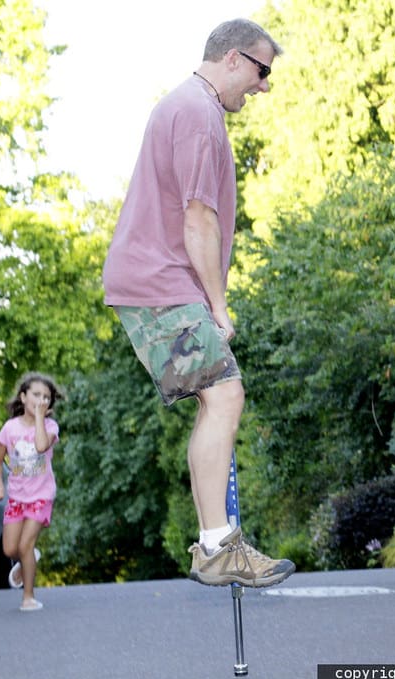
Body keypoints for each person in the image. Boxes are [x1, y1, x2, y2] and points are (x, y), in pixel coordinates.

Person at [101, 18, 294, 588]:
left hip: (159, 281)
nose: (263, 87)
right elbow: (198, 218)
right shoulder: (200, 116)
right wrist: (218, 304)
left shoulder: (189, 108)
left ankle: (217, 542)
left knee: (219, 398)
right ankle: (216, 546)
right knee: (225, 394)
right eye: (261, 72)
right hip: (162, 283)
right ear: (232, 59)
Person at [0, 372, 63, 612]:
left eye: (46, 397)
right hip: (17, 496)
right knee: (10, 549)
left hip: (41, 495)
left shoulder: (51, 427)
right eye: (36, 395)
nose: (41, 400)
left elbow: (41, 446)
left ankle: (28, 597)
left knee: (24, 546)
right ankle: (30, 556)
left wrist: (41, 418)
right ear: (23, 397)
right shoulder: (10, 428)